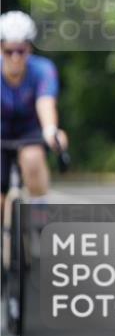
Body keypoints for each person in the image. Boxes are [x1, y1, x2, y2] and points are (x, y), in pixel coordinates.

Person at [0, 11, 69, 217]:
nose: (15, 57)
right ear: (0, 48)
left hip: (30, 131)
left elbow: (45, 103)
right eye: (9, 51)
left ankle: (39, 222)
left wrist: (51, 131)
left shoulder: (42, 69)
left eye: (21, 51)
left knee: (33, 158)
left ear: (29, 48)